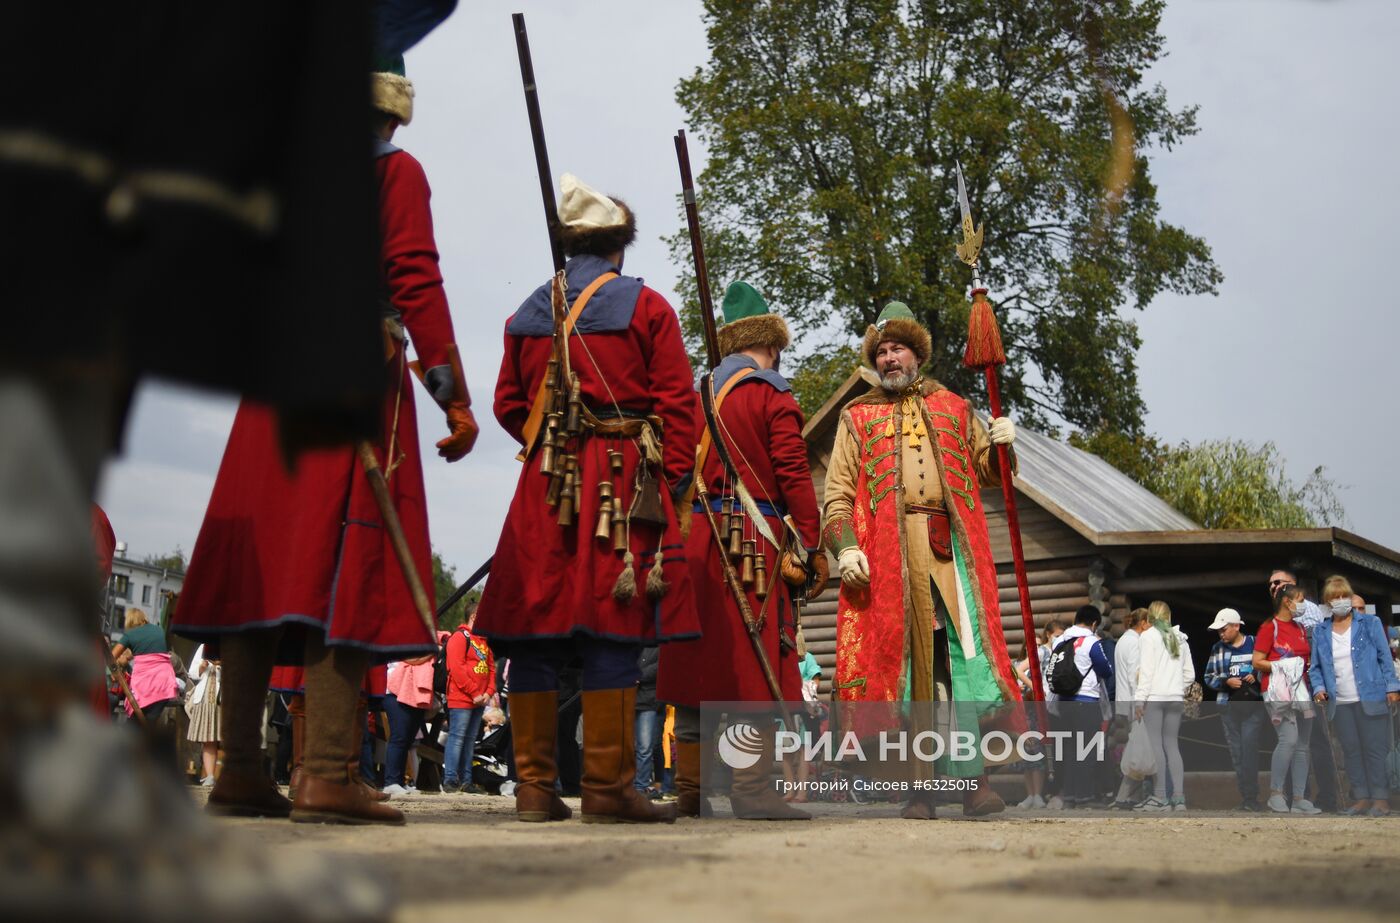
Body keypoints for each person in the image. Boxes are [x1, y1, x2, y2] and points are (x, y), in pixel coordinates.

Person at [174, 54, 478, 826]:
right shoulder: (395, 173)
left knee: (265, 571)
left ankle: (241, 768)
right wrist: (452, 393)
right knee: (347, 563)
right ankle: (326, 772)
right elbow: (414, 277)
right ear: (389, 111)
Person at [477, 173, 699, 824]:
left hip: (544, 485)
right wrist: (670, 481)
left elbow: (507, 405)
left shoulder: (526, 311)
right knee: (615, 626)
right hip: (621, 481)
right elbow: (678, 409)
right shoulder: (649, 306)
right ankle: (606, 790)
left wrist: (554, 440)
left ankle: (535, 790)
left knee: (534, 631)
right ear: (618, 247)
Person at [822, 301, 1021, 820]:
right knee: (909, 672)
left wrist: (1002, 446)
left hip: (950, 551)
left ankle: (975, 783)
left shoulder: (955, 407)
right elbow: (838, 493)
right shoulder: (856, 416)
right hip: (891, 556)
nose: (889, 358)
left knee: (961, 664)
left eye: (898, 349)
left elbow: (991, 473)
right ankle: (920, 790)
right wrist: (845, 547)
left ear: (917, 354)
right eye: (882, 351)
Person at [656, 281, 825, 821]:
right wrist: (814, 544)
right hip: (754, 543)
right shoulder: (773, 394)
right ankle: (752, 791)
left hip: (697, 541)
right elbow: (795, 476)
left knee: (695, 663)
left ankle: (690, 790)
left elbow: (674, 468)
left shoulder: (694, 392)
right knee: (757, 667)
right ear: (772, 343)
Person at [1308, 578, 1400, 816]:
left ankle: (1381, 799)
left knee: (1375, 749)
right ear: (1327, 603)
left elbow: (1384, 657)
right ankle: (1361, 797)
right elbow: (1315, 667)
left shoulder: (1370, 623)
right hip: (1341, 702)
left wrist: (1392, 687)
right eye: (1335, 598)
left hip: (1371, 696)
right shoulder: (1321, 631)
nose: (1340, 601)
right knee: (1351, 750)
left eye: (1344, 596)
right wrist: (1318, 688)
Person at [1265, 568, 1339, 811]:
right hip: (1286, 692)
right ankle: (1298, 797)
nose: (1274, 586)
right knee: (1292, 743)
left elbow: (1317, 652)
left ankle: (1328, 798)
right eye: (1271, 584)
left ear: (1293, 585)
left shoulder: (1308, 611)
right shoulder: (1276, 617)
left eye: (1279, 582)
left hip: (1310, 688)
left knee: (1316, 743)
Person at [1253, 584, 1322, 814]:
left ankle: (1300, 798)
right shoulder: (1268, 628)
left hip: (1301, 689)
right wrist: (1283, 666)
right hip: (1278, 691)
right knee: (1288, 739)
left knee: (1303, 744)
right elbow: (1257, 661)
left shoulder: (1301, 628)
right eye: (1300, 599)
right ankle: (1275, 793)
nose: (1303, 605)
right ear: (1287, 601)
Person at [1049, 606, 1115, 808]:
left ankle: (1068, 796)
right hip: (1086, 701)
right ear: (1094, 623)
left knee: (1069, 750)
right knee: (1087, 750)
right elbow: (1105, 669)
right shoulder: (1092, 642)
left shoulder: (1060, 641)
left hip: (1063, 702)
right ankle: (1084, 797)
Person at [1133, 601, 1194, 811]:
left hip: (1155, 698)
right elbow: (1190, 675)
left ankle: (1160, 797)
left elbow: (1146, 672)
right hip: (1175, 698)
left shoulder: (1148, 637)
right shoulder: (1181, 638)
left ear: (1149, 618)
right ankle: (1179, 798)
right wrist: (1177, 687)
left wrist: (1139, 700)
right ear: (1169, 616)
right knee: (1172, 745)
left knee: (1156, 746)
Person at [1204, 608, 1263, 810]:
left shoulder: (1255, 644)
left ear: (1237, 626)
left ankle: (1252, 797)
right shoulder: (1217, 649)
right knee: (1237, 752)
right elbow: (1208, 677)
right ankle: (1247, 798)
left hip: (1253, 706)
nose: (1221, 634)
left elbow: (1269, 667)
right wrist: (1226, 681)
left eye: (1224, 629)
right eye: (1219, 631)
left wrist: (1256, 675)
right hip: (1228, 706)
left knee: (1249, 750)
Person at [1013, 618, 1065, 809]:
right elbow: (1018, 670)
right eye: (1058, 635)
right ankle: (1032, 794)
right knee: (1031, 749)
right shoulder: (1043, 651)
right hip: (1033, 707)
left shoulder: (1058, 654)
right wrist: (1036, 689)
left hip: (1048, 707)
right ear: (1049, 635)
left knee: (1040, 750)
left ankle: (1038, 794)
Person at [381, 637, 440, 796]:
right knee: (399, 738)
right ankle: (391, 782)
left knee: (407, 740)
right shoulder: (396, 638)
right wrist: (431, 651)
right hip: (394, 691)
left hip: (415, 693)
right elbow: (411, 659)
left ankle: (400, 781)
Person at [444, 610, 495, 794]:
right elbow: (456, 667)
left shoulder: (484, 640)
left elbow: (491, 667)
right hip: (462, 697)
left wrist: (489, 692)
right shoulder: (459, 637)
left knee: (470, 740)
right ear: (474, 616)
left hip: (479, 700)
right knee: (457, 738)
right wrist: (474, 692)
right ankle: (450, 779)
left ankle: (466, 780)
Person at [1109, 608, 1151, 808]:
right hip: (1133, 703)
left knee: (1136, 749)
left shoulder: (1123, 640)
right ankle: (1123, 796)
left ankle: (1132, 796)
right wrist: (1140, 703)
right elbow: (1136, 675)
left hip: (1124, 703)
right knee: (1137, 752)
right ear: (1143, 622)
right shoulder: (1134, 642)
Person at [111, 607, 181, 726]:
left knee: (134, 727)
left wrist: (114, 673)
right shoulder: (159, 630)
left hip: (145, 686)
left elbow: (112, 656)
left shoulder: (130, 634)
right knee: (146, 725)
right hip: (165, 683)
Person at [185, 644, 222, 786]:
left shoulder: (228, 645)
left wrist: (220, 665)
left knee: (223, 738)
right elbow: (192, 672)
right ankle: (210, 775)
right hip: (204, 697)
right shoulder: (204, 646)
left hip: (222, 699)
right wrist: (202, 666)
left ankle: (226, 776)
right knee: (208, 738)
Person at [634, 645, 662, 799]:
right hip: (632, 698)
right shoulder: (637, 643)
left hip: (649, 700)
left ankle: (641, 786)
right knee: (633, 747)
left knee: (645, 748)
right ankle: (633, 784)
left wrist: (638, 675)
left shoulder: (661, 645)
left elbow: (660, 666)